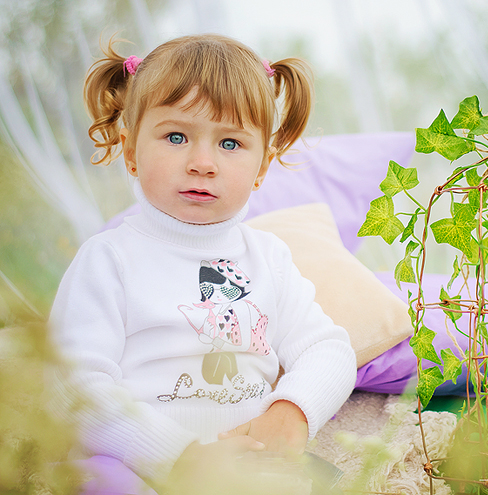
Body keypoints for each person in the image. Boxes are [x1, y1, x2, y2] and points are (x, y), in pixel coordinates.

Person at [49, 34, 356, 493]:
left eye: (230, 143)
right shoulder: (109, 259)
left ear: (262, 167)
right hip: (142, 466)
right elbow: (72, 384)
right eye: (176, 137)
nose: (202, 162)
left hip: (247, 467)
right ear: (130, 151)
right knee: (95, 480)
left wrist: (292, 411)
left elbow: (328, 350)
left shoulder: (268, 258)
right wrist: (179, 458)